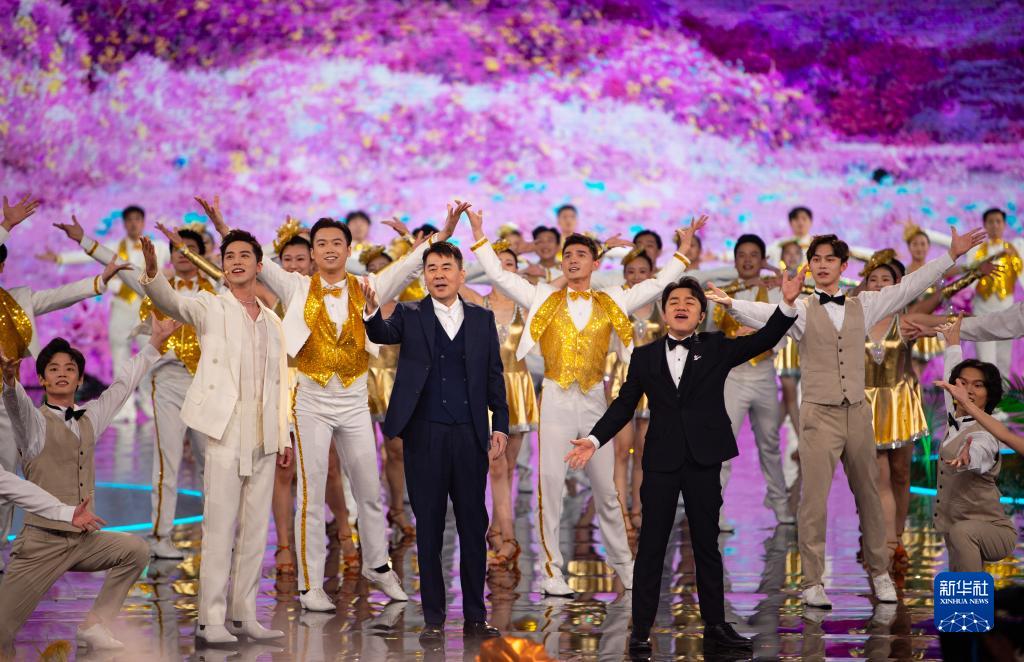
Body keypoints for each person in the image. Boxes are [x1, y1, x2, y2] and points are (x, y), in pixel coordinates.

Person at [707, 228, 985, 608]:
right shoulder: (801, 308)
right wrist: (729, 304)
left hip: (857, 412)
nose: (822, 265)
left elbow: (910, 287)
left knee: (869, 495)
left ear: (843, 266)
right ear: (810, 266)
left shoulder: (864, 304)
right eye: (816, 260)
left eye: (830, 259)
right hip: (819, 415)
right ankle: (812, 581)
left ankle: (880, 572)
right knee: (813, 501)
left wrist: (950, 256)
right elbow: (764, 315)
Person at [201, 203, 449, 611]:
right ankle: (311, 583)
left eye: (337, 242)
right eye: (321, 244)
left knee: (369, 490)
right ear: (313, 252)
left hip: (353, 400)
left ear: (349, 249)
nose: (330, 249)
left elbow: (408, 267)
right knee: (311, 493)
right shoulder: (296, 287)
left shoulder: (367, 285)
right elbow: (258, 259)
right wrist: (224, 228)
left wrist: (444, 232)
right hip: (312, 400)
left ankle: (378, 565)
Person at [468, 204, 699, 597]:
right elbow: (498, 275)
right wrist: (478, 233)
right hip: (556, 400)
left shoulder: (613, 299)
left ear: (595, 263)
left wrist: (684, 249)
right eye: (568, 255)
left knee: (607, 491)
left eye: (580, 255)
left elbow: (657, 284)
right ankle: (551, 571)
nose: (573, 260)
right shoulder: (543, 296)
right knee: (550, 487)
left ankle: (625, 566)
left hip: (594, 402)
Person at [565, 273, 800, 656]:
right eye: (674, 301)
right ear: (663, 311)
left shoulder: (716, 346)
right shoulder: (644, 356)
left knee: (706, 545)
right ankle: (641, 631)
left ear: (701, 314)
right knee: (651, 547)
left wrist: (787, 305)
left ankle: (716, 627)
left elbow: (764, 338)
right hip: (661, 460)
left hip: (704, 458)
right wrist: (593, 440)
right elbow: (624, 404)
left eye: (690, 302)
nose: (681, 307)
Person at [140, 232, 293, 645]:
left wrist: (284, 435)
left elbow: (281, 381)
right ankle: (210, 620)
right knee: (220, 526)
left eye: (245, 255)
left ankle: (244, 615)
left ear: (259, 266)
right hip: (226, 429)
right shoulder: (211, 306)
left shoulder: (273, 320)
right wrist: (153, 273)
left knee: (255, 531)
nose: (237, 261)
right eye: (230, 256)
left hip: (264, 434)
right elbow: (172, 302)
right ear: (222, 266)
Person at [362, 238, 508, 647]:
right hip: (424, 434)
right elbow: (381, 332)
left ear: (461, 275)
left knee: (473, 525)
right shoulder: (409, 314)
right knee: (428, 527)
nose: (439, 275)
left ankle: (476, 617)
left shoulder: (481, 319)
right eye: (432, 268)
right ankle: (433, 619)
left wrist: (500, 425)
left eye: (446, 268)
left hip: (470, 434)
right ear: (424, 277)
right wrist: (371, 310)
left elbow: (494, 375)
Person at [0, 323, 177, 652]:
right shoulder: (34, 425)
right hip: (41, 544)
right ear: (42, 379)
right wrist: (10, 382)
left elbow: (122, 387)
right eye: (53, 369)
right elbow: (17, 407)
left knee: (135, 550)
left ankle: (94, 624)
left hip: (83, 541)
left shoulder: (90, 417)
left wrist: (154, 343)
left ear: (80, 379)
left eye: (70, 368)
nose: (62, 373)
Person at [66, 217, 215, 560]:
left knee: (212, 462)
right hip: (168, 381)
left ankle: (216, 534)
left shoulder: (217, 291)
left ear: (201, 256)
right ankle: (161, 536)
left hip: (207, 382)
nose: (183, 256)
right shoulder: (156, 284)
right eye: (178, 251)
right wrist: (84, 239)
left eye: (190, 251)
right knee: (167, 461)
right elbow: (120, 266)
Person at [0, 197, 130, 568]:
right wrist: (6, 226)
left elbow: (58, 297)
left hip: (8, 400)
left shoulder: (18, 300)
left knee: (7, 479)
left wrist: (99, 281)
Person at [39, 204, 171, 421]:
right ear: (124, 223)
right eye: (129, 220)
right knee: (120, 358)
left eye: (137, 219)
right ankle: (125, 407)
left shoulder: (159, 247)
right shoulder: (115, 247)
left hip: (147, 310)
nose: (133, 223)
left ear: (143, 221)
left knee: (150, 357)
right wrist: (60, 258)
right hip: (121, 307)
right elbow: (91, 254)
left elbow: (178, 260)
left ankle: (148, 401)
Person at [459, 239, 539, 568]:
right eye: (499, 264)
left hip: (517, 389)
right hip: (487, 391)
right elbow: (453, 278)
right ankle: (508, 538)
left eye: (510, 264)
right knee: (496, 465)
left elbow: (558, 289)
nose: (504, 270)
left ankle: (498, 529)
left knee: (507, 467)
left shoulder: (526, 305)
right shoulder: (478, 303)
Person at [706, 233, 793, 527]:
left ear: (762, 260)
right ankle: (715, 511)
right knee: (722, 446)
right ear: (734, 260)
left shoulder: (775, 292)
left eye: (754, 255)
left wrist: (774, 274)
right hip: (731, 377)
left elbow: (785, 329)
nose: (747, 260)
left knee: (770, 444)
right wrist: (732, 339)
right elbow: (708, 336)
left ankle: (780, 505)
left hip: (764, 374)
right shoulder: (720, 294)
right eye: (741, 255)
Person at [857, 251, 929, 577]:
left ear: (897, 285)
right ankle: (876, 536)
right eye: (873, 279)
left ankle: (897, 536)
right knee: (872, 477)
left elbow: (939, 315)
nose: (879, 284)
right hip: (865, 404)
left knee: (900, 472)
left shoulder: (907, 320)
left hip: (900, 403)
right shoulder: (853, 316)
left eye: (886, 279)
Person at [930, 318, 1018, 572]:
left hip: (992, 531)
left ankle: (973, 596)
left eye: (978, 386)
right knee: (957, 563)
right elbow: (952, 375)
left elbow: (981, 448)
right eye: (963, 383)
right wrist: (953, 343)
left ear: (989, 394)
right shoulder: (955, 416)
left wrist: (969, 457)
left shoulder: (985, 433)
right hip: (957, 527)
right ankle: (971, 599)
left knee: (961, 532)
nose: (967, 390)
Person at [604, 248, 664, 534]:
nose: (637, 276)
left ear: (652, 274)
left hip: (652, 383)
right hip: (622, 380)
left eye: (642, 271)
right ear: (624, 275)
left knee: (644, 451)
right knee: (621, 450)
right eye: (631, 272)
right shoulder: (617, 303)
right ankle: (621, 514)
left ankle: (639, 509)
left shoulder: (661, 304)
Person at [923, 209, 1024, 374]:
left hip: (1007, 309)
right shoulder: (977, 249)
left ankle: (1004, 390)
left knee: (1004, 359)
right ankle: (988, 389)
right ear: (985, 225)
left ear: (1004, 225)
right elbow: (949, 242)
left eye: (998, 221)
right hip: (983, 309)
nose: (995, 225)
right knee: (986, 360)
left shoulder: (1016, 249)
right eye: (991, 222)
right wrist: (924, 232)